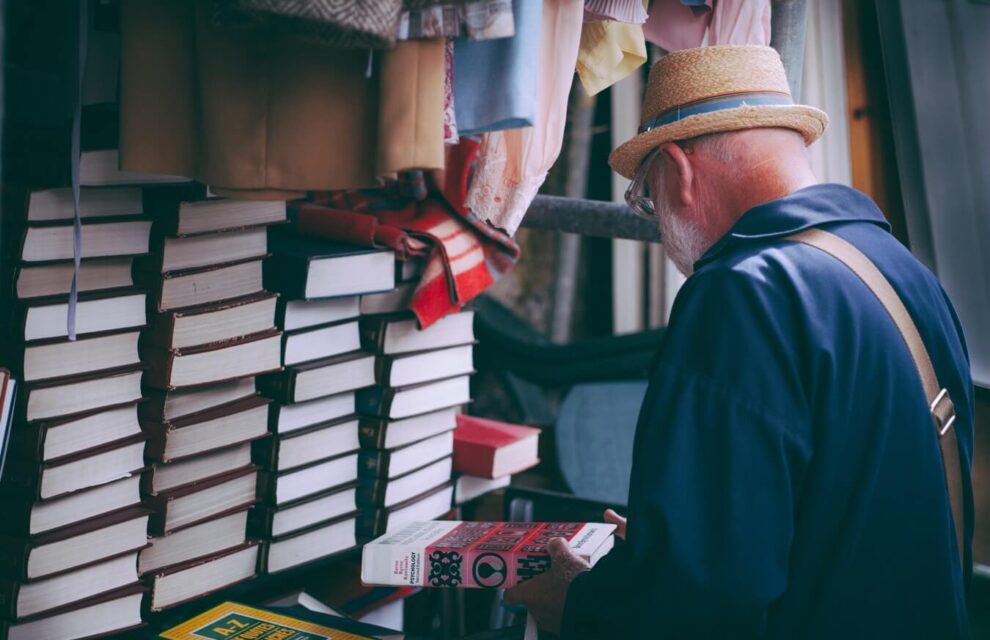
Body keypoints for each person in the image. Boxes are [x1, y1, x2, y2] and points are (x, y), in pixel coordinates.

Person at [504, 45, 973, 638]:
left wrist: (576, 599)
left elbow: (694, 605)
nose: (656, 224)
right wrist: (674, 542)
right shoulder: (907, 274)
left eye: (646, 198)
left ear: (678, 170)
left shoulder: (741, 294)